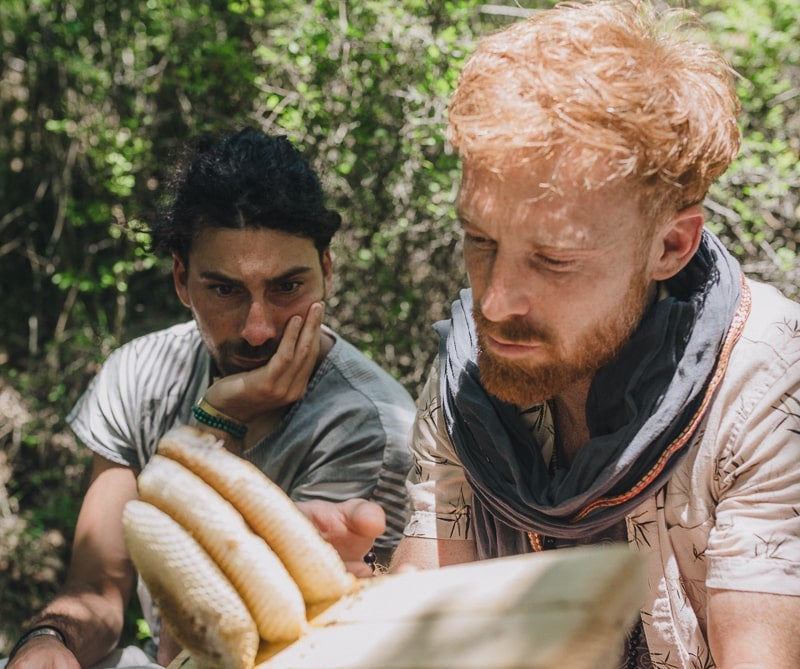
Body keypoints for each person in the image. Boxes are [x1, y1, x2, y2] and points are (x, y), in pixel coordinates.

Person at [390, 2, 800, 668]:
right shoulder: (470, 372)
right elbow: (426, 630)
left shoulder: (767, 388)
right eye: (480, 241)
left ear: (669, 245)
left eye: (554, 260)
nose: (494, 302)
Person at [5, 129, 415, 669]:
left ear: (327, 272)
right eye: (225, 290)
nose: (258, 329)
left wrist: (217, 418)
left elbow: (231, 639)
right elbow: (99, 587)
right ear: (182, 279)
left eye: (287, 287)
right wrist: (50, 642)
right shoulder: (137, 374)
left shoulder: (367, 422)